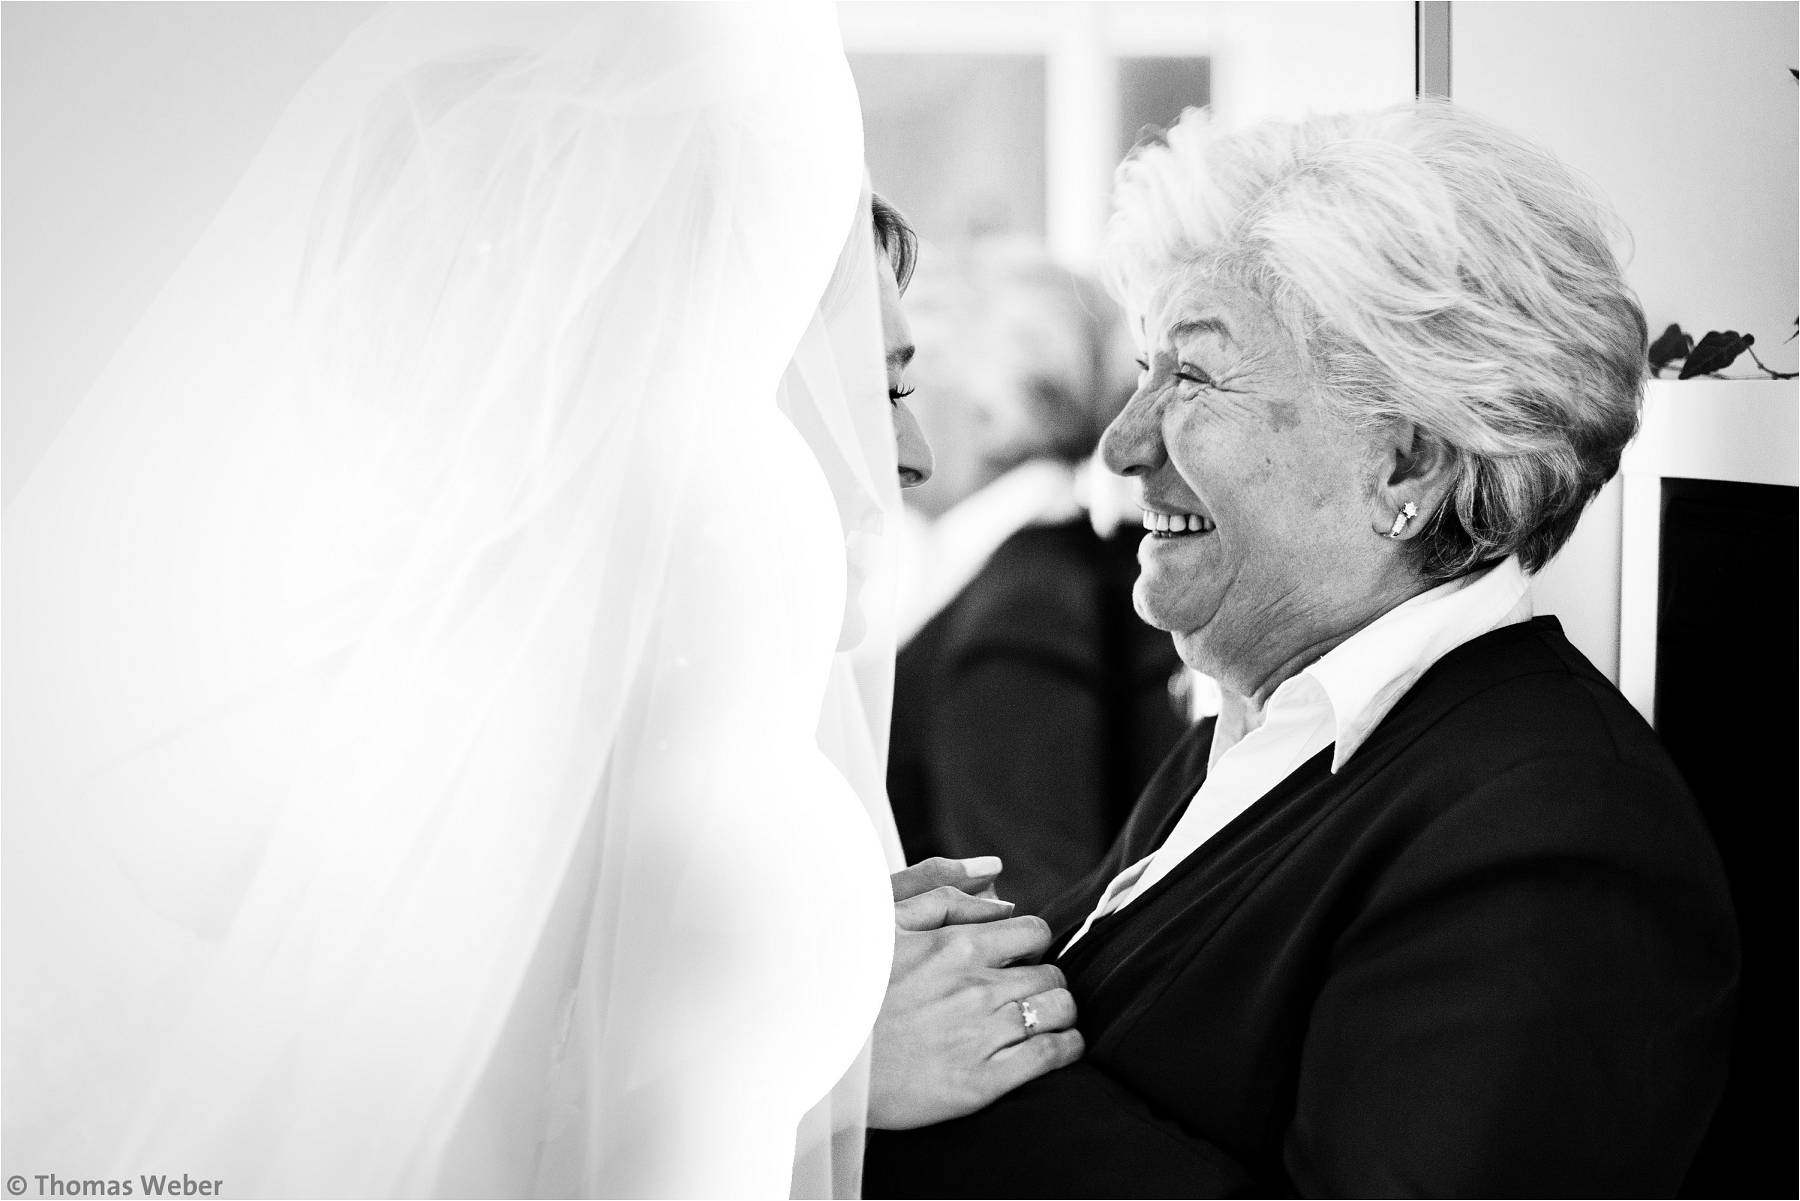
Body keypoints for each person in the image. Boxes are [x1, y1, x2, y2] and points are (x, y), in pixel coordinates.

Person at [0, 7, 957, 1197]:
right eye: (873, 388)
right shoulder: (393, 762)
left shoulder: (688, 728)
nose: (905, 452)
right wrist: (810, 1080)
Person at [863, 100, 1737, 1196]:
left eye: (1193, 378)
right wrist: (887, 959)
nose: (1124, 443)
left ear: (1407, 470)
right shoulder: (1266, 733)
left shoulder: (1561, 841)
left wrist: (900, 1055)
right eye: (1141, 369)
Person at [887, 244, 1188, 911]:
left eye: (902, 389)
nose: (882, 425)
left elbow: (1028, 902)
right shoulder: (1056, 569)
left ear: (991, 412)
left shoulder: (1021, 607)